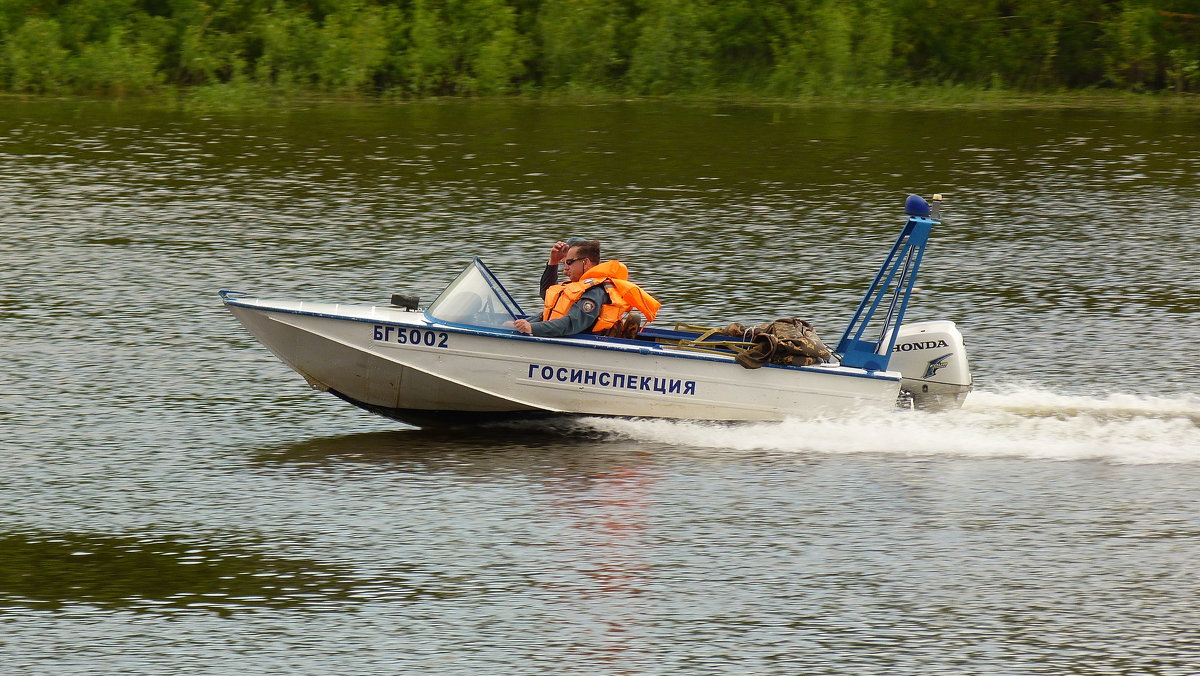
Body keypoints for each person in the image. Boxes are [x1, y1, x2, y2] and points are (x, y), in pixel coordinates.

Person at [510, 240, 661, 338]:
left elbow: (572, 323)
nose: (565, 269)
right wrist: (553, 262)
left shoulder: (595, 291)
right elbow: (550, 300)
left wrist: (531, 328)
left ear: (586, 262)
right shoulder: (575, 286)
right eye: (564, 264)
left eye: (569, 262)